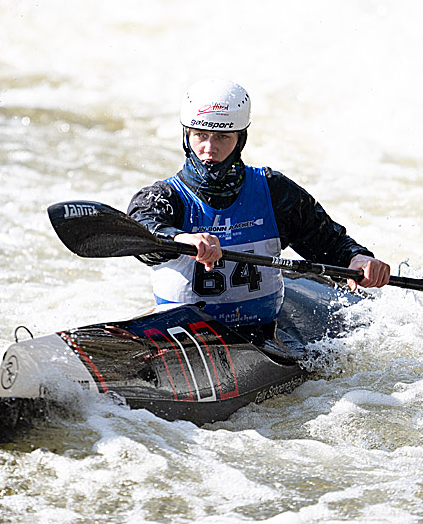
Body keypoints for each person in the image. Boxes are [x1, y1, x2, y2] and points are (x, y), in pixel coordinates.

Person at [127, 78, 390, 337]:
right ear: (187, 136)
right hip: (184, 336)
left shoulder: (274, 191)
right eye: (200, 135)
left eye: (222, 137)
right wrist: (181, 239)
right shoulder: (163, 197)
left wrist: (357, 258)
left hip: (260, 333)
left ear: (240, 139)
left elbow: (329, 243)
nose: (209, 148)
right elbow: (140, 232)